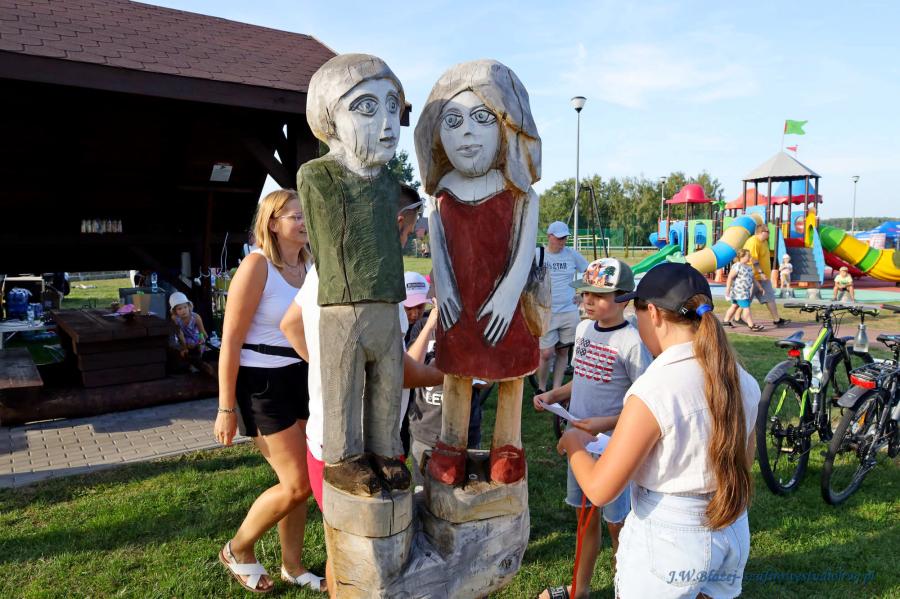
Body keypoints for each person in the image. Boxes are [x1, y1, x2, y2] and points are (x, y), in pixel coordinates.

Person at [558, 262, 760, 598]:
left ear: (652, 313)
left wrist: (574, 443)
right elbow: (745, 461)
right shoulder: (743, 379)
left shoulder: (655, 388)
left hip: (671, 539)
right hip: (731, 529)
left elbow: (600, 490)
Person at [280, 191, 442, 598]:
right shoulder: (381, 280)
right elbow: (397, 372)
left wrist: (326, 368)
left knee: (340, 547)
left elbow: (290, 324)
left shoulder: (326, 265)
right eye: (411, 226)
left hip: (325, 438)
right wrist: (446, 374)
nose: (411, 234)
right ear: (398, 221)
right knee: (361, 558)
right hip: (365, 449)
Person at [415, 59, 540, 485]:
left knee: (510, 373)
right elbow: (438, 248)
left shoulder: (521, 192)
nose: (467, 132)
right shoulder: (441, 194)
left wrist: (508, 294)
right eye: (453, 121)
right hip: (459, 301)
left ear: (507, 124)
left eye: (481, 118)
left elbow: (524, 250)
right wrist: (446, 290)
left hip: (506, 302)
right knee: (456, 370)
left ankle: (508, 442)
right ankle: (451, 441)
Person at [299, 53, 409, 496]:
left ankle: (386, 449)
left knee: (388, 382)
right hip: (343, 304)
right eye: (366, 107)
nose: (387, 124)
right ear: (329, 117)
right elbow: (326, 246)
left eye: (393, 107)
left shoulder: (389, 184)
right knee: (343, 385)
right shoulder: (318, 176)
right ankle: (344, 457)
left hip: (388, 300)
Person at [214, 189, 323, 594]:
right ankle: (238, 549)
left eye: (307, 214)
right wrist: (226, 408)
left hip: (302, 375)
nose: (305, 222)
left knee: (301, 480)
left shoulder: (310, 265)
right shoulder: (256, 265)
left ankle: (292, 566)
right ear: (273, 223)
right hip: (260, 382)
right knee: (298, 483)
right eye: (296, 216)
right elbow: (230, 341)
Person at [533, 258, 651, 599]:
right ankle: (580, 590)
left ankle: (626, 590)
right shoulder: (583, 330)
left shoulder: (632, 342)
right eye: (585, 293)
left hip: (615, 447)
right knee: (585, 519)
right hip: (580, 445)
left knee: (618, 526)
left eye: (598, 295)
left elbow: (645, 403)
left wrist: (605, 423)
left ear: (623, 298)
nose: (588, 300)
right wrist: (554, 394)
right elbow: (582, 378)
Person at [536, 221, 589, 395]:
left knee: (563, 351)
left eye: (565, 238)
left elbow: (591, 272)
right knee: (546, 353)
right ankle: (541, 388)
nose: (562, 241)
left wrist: (583, 295)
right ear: (549, 236)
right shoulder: (538, 254)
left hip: (569, 311)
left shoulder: (571, 254)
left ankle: (556, 390)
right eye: (559, 238)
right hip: (546, 312)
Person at [743, 223, 790, 327]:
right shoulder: (753, 242)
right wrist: (760, 272)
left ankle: (777, 320)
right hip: (752, 277)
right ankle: (735, 318)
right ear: (761, 232)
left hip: (763, 278)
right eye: (767, 232)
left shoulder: (764, 242)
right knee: (744, 301)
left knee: (770, 298)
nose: (769, 233)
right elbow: (753, 260)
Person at [723, 250, 764, 331]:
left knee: (734, 306)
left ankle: (725, 322)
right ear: (742, 257)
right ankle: (751, 325)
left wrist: (760, 287)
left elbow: (753, 279)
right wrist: (727, 289)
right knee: (746, 307)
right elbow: (730, 277)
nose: (750, 257)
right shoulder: (737, 266)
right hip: (739, 292)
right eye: (748, 256)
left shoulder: (749, 267)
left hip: (745, 292)